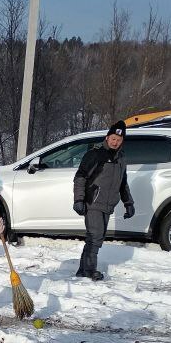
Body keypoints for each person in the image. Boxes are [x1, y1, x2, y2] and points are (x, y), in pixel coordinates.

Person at [72, 120, 134, 281]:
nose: (115, 142)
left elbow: (123, 183)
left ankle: (83, 270)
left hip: (108, 204)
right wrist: (79, 199)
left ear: (122, 141)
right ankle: (89, 271)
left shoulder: (121, 158)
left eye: (119, 140)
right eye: (113, 138)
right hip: (93, 201)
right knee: (95, 236)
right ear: (107, 138)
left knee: (95, 238)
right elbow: (80, 177)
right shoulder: (95, 154)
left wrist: (129, 203)